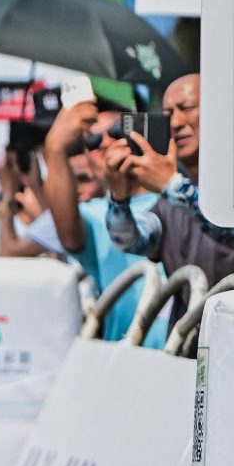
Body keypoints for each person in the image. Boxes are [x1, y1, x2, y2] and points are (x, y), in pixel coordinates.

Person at [35, 97, 165, 338]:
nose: (105, 143)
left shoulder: (175, 196)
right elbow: (67, 230)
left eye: (116, 131)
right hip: (125, 357)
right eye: (93, 140)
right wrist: (55, 146)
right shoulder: (93, 214)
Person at [101, 73, 234, 286]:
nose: (176, 123)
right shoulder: (168, 202)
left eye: (186, 108)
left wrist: (172, 184)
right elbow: (130, 242)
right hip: (186, 319)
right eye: (168, 114)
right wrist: (119, 199)